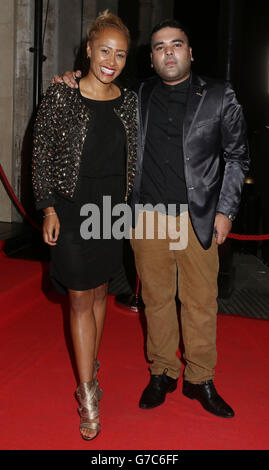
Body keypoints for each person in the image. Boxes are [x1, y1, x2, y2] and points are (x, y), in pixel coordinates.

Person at [57, 18, 250, 419]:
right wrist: (72, 78)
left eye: (176, 45)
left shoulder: (218, 95)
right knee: (156, 300)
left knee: (199, 303)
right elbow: (98, 91)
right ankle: (162, 371)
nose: (168, 52)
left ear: (190, 52)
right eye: (160, 47)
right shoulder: (137, 95)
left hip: (196, 219)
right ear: (152, 57)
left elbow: (236, 157)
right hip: (147, 217)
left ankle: (200, 378)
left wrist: (226, 210)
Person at [32, 10, 137, 440]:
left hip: (112, 211)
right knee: (78, 296)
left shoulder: (129, 101)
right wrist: (48, 209)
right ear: (89, 50)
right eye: (105, 50)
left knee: (99, 291)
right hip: (72, 209)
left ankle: (89, 357)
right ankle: (88, 390)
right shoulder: (61, 95)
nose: (111, 60)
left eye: (121, 55)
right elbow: (40, 153)